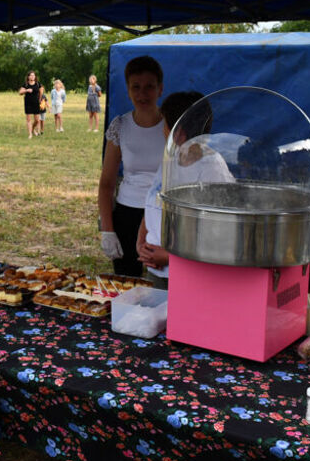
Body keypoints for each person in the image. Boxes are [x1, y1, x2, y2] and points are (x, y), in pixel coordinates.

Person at [136, 92, 233, 288]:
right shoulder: (171, 159)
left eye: (165, 125)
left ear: (178, 132)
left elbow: (217, 236)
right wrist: (141, 243)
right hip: (157, 272)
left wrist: (171, 258)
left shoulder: (213, 171)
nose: (162, 131)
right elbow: (154, 202)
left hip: (189, 279)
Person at [97, 56, 164, 276]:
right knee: (127, 283)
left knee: (164, 287)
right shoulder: (120, 126)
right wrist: (108, 230)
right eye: (136, 87)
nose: (142, 94)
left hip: (164, 215)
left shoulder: (173, 126)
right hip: (127, 213)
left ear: (160, 89)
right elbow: (106, 183)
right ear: (127, 90)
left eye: (149, 87)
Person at [19, 71, 44, 139]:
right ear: (28, 77)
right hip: (28, 103)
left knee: (37, 120)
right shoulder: (26, 85)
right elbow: (20, 92)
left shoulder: (38, 84)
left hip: (36, 103)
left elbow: (41, 91)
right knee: (28, 119)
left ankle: (32, 129)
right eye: (31, 75)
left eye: (34, 75)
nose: (32, 77)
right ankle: (30, 134)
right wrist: (26, 90)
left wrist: (40, 99)